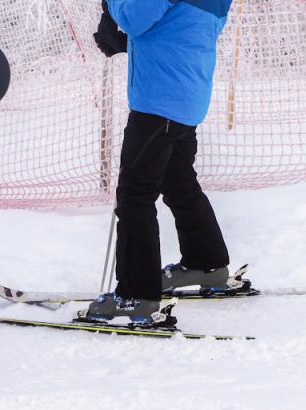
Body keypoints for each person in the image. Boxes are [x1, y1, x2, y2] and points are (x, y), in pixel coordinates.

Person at [88, 0, 233, 324]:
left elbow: (134, 17)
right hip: (187, 98)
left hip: (157, 103)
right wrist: (131, 45)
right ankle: (206, 263)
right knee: (179, 183)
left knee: (134, 196)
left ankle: (136, 296)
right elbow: (184, 30)